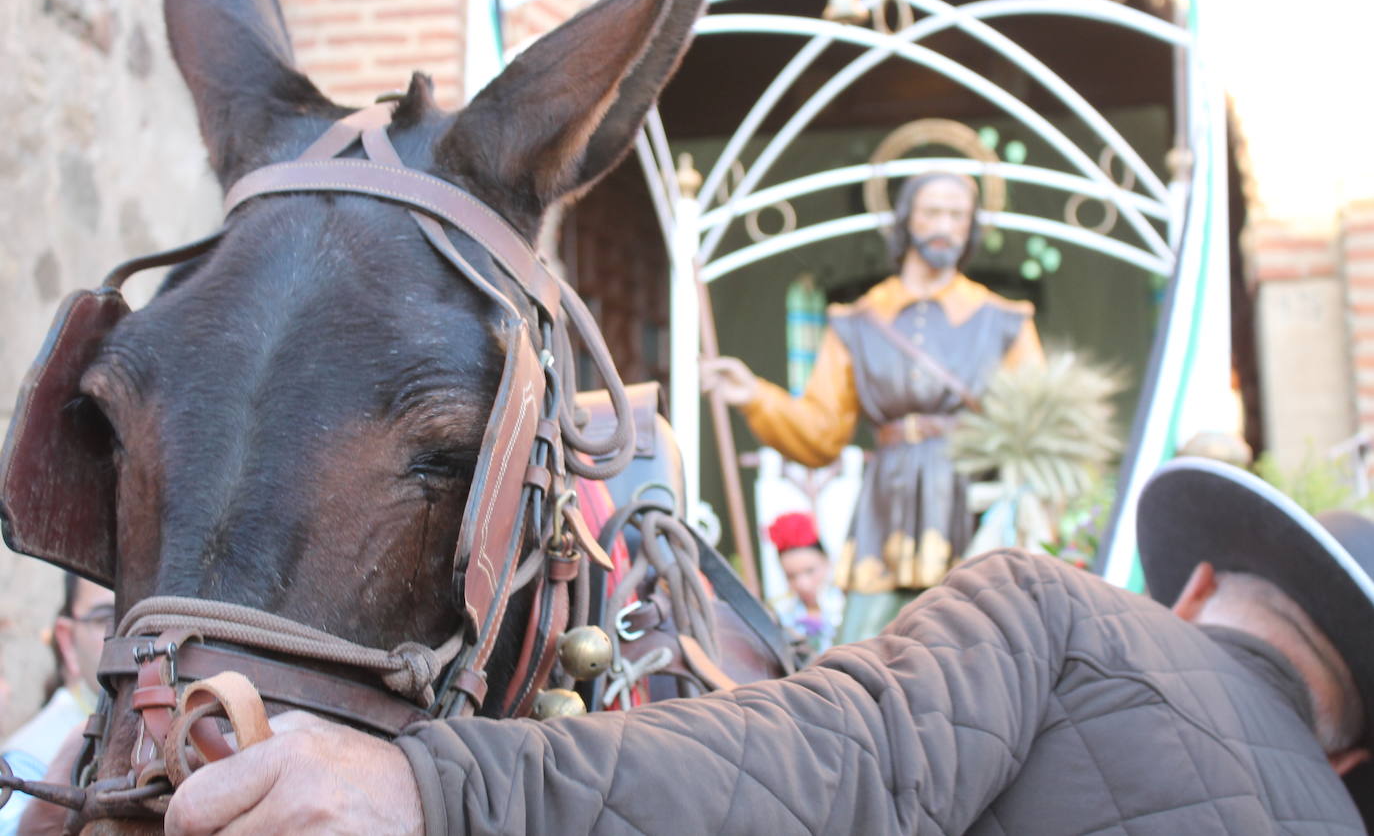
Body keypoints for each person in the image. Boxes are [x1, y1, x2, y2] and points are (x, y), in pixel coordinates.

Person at [159, 456, 1370, 834]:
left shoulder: (1068, 611)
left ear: (1200, 582)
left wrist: (434, 788)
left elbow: (837, 765)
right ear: (1355, 748)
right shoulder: (1338, 819)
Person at [702, 171, 1043, 642]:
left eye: (958, 215)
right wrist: (756, 397)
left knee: (980, 646)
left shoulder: (1004, 321)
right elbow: (821, 433)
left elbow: (1040, 430)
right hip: (886, 506)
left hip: (971, 501)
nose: (946, 224)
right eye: (933, 212)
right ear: (906, 222)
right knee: (867, 652)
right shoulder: (859, 321)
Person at [0, 575, 111, 834]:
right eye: (107, 618)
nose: (131, 635)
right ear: (67, 641)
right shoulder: (30, 757)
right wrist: (36, 822)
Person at [765, 512, 845, 658]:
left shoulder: (848, 603)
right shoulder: (781, 613)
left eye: (810, 571)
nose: (803, 584)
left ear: (827, 561)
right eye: (791, 576)